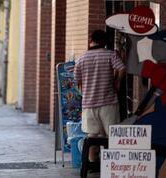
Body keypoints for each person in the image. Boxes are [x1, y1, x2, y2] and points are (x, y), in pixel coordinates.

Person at [73, 30, 126, 169]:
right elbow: (122, 68)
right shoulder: (110, 54)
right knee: (111, 135)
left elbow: (77, 79)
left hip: (89, 104)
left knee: (92, 136)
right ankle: (110, 166)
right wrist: (117, 82)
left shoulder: (82, 58)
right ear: (105, 41)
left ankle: (91, 165)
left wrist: (86, 90)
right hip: (108, 102)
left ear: (91, 40)